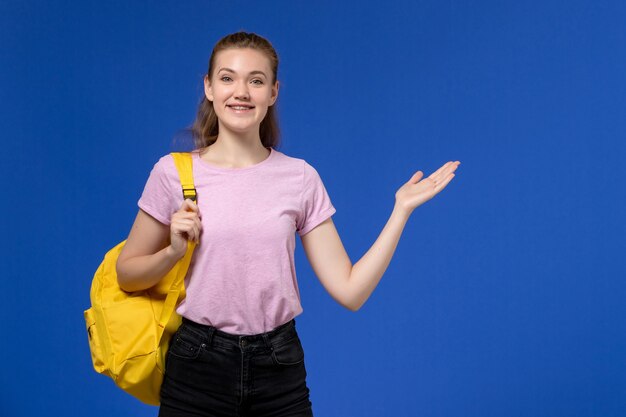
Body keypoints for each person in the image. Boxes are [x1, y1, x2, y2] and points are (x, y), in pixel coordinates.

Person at [115, 31, 460, 417]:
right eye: (228, 78)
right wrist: (173, 252)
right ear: (209, 87)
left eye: (256, 80)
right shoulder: (172, 173)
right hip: (197, 363)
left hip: (278, 365)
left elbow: (350, 291)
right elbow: (127, 275)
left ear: (273, 92)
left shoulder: (300, 178)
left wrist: (401, 211)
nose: (241, 91)